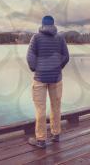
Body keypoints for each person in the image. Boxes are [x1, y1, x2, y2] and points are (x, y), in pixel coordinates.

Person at [26, 15, 69, 148]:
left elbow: (30, 56)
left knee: (40, 109)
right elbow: (66, 57)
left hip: (40, 78)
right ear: (53, 24)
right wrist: (57, 67)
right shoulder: (60, 38)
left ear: (42, 24)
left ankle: (41, 140)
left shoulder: (36, 38)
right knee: (56, 107)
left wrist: (35, 68)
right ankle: (56, 135)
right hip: (56, 78)